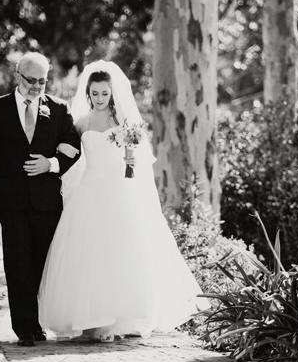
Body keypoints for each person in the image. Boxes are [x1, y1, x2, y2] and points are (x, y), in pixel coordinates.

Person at [37, 60, 208, 342]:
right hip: (89, 191)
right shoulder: (81, 123)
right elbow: (71, 151)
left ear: (112, 93)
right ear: (88, 94)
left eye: (105, 93)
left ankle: (116, 319)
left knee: (118, 252)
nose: (100, 98)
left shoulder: (123, 122)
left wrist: (128, 166)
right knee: (87, 253)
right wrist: (60, 151)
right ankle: (88, 319)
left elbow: (133, 160)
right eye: (95, 93)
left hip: (117, 191)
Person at [0, 52, 81, 347]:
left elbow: (73, 146)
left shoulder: (58, 109)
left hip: (47, 202)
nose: (36, 86)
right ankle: (25, 329)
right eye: (31, 80)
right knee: (18, 264)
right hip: (11, 201)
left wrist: (51, 163)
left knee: (42, 265)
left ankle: (40, 322)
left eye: (42, 81)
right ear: (17, 76)